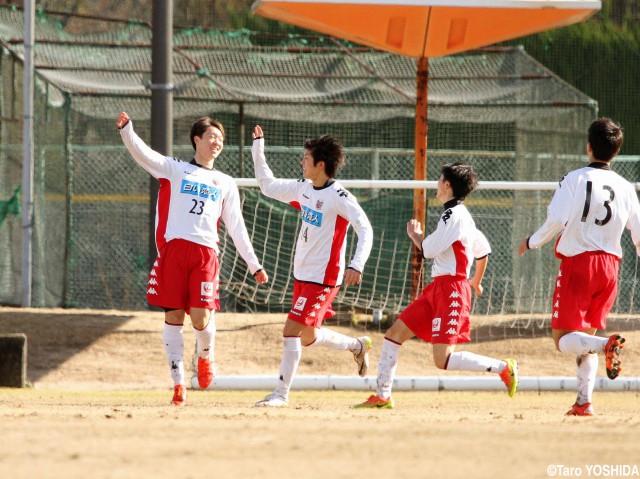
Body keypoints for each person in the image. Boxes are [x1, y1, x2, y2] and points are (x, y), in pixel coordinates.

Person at [116, 112, 268, 406]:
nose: (217, 142)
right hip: (174, 252)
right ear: (196, 139)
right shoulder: (176, 169)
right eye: (212, 136)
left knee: (200, 317)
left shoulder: (225, 182)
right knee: (173, 317)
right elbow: (144, 154)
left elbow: (236, 227)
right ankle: (178, 385)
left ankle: (206, 356)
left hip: (205, 254)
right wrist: (127, 130)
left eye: (221, 139)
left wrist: (255, 265)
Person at [355, 162, 518, 409]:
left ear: (447, 184)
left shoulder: (453, 215)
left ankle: (504, 368)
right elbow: (483, 251)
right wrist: (477, 280)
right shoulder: (461, 215)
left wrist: (415, 235)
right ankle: (382, 396)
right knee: (393, 334)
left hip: (451, 291)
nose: (436, 183)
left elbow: (429, 250)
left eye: (439, 179)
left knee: (442, 360)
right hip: (438, 289)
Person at [518, 117, 640, 416]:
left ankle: (606, 346)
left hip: (579, 264)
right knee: (584, 339)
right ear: (616, 151)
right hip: (611, 267)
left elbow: (557, 221)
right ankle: (584, 402)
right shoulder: (626, 187)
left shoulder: (574, 178)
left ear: (589, 148)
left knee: (563, 341)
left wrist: (531, 242)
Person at [251, 125, 374, 407]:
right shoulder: (303, 188)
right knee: (308, 336)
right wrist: (258, 148)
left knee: (290, 330)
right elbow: (267, 186)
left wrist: (357, 264)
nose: (301, 161)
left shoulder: (340, 197)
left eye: (306, 158)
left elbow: (365, 228)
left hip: (323, 278)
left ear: (320, 165)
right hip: (301, 275)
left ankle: (280, 395)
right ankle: (357, 346)